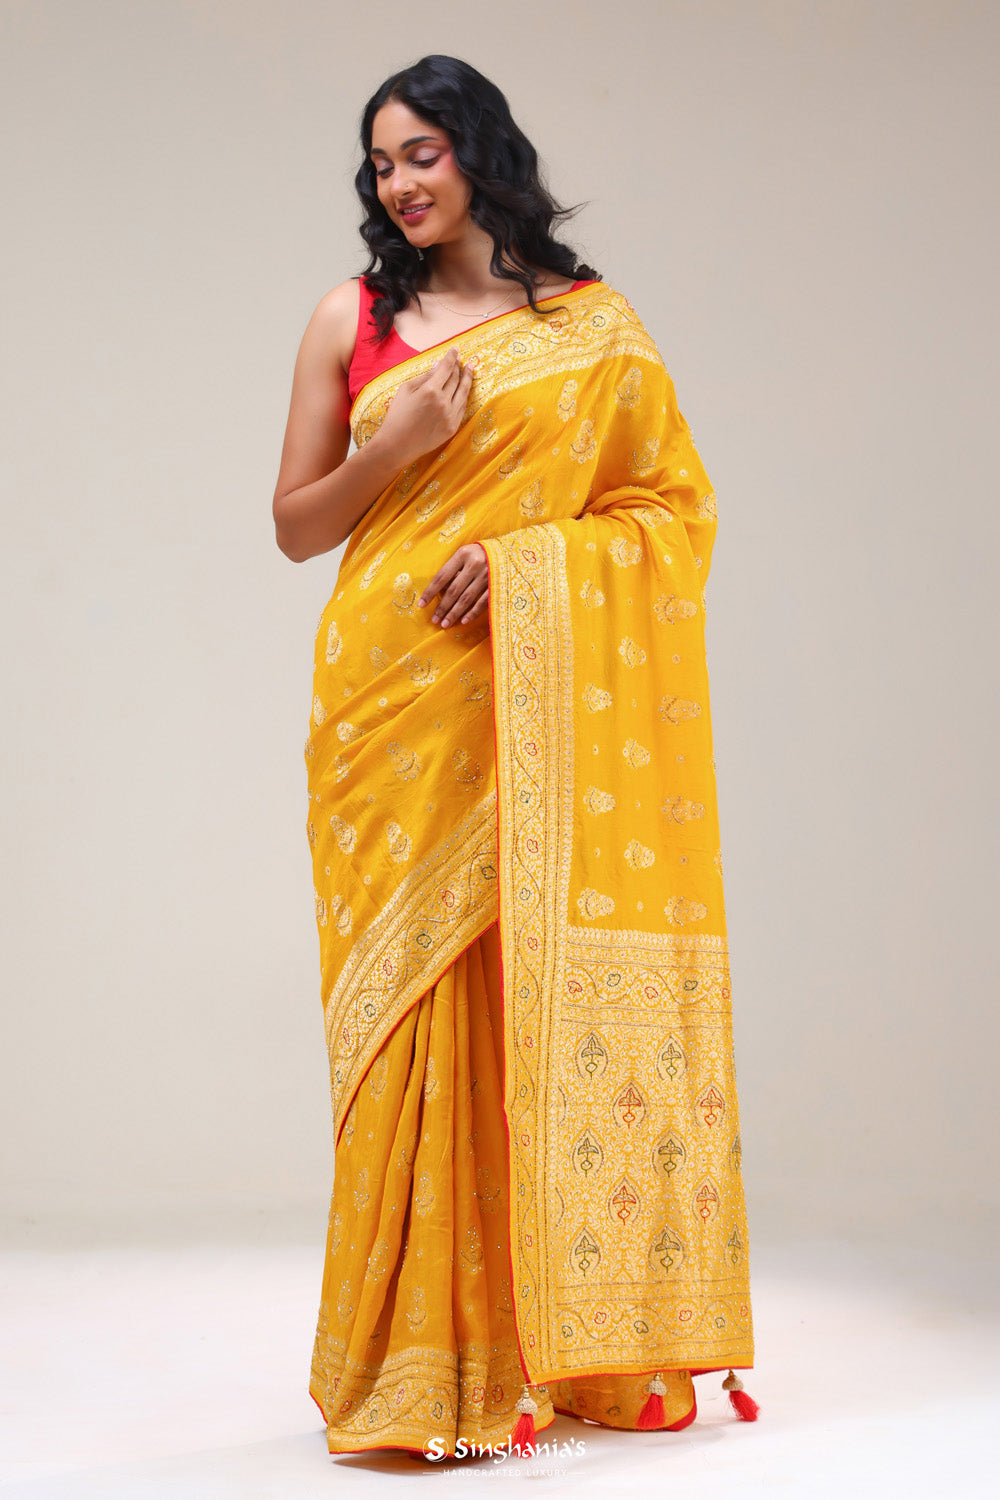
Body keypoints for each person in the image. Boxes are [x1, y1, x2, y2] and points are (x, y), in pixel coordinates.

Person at [272, 54, 758, 1461]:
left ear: (481, 152)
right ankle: (414, 1368)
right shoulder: (352, 317)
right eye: (381, 163)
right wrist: (403, 443)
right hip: (390, 704)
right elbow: (298, 525)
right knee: (406, 1013)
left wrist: (529, 560)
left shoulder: (592, 327)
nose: (399, 184)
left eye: (421, 153)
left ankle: (555, 1351)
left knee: (525, 987)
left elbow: (671, 511)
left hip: (532, 696)